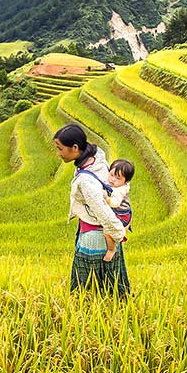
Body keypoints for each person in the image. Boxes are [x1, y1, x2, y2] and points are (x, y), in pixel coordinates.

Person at [54, 123, 131, 297]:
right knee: (112, 289)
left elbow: (102, 211)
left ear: (75, 148)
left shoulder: (86, 182)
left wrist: (118, 234)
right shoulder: (97, 158)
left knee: (86, 293)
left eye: (60, 148)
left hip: (95, 238)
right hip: (106, 233)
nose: (58, 153)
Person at [103, 158, 135, 264]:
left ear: (125, 181)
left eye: (117, 178)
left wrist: (107, 199)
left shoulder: (120, 190)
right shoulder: (113, 183)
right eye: (111, 175)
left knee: (108, 232)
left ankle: (111, 249)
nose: (112, 180)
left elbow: (115, 203)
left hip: (122, 215)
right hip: (121, 212)